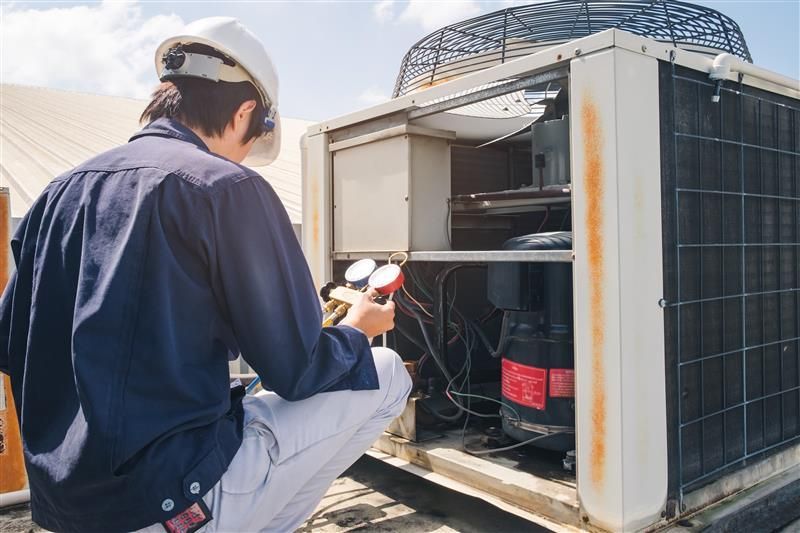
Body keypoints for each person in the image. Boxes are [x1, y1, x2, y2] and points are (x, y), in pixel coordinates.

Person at [0, 17, 411, 533]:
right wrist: (357, 330)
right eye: (252, 138)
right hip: (170, 497)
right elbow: (297, 370)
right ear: (245, 112)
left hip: (67, 507)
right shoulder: (227, 187)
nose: (244, 157)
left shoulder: (57, 194)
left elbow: (11, 344)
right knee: (388, 370)